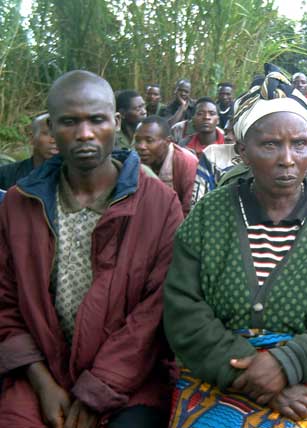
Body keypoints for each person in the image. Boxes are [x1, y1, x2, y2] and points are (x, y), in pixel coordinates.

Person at [164, 63, 307, 427]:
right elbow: (184, 310)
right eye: (270, 144)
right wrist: (255, 379)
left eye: (300, 144)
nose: (287, 158)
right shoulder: (208, 216)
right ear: (243, 151)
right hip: (220, 374)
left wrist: (287, 363)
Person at [0, 70, 184, 427]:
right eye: (69, 122)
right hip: (40, 370)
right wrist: (42, 384)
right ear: (50, 129)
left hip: (130, 379)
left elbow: (153, 315)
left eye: (96, 120)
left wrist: (98, 389)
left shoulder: (159, 206)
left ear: (115, 123)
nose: (84, 134)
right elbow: (6, 303)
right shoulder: (20, 205)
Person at [134, 115, 199, 216]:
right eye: (138, 140)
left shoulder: (186, 162)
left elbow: (189, 209)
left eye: (149, 140)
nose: (141, 147)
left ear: (167, 141)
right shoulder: (134, 161)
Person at [0, 113, 58, 190]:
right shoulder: (6, 175)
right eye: (47, 134)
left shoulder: (76, 178)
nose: (54, 140)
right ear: (32, 138)